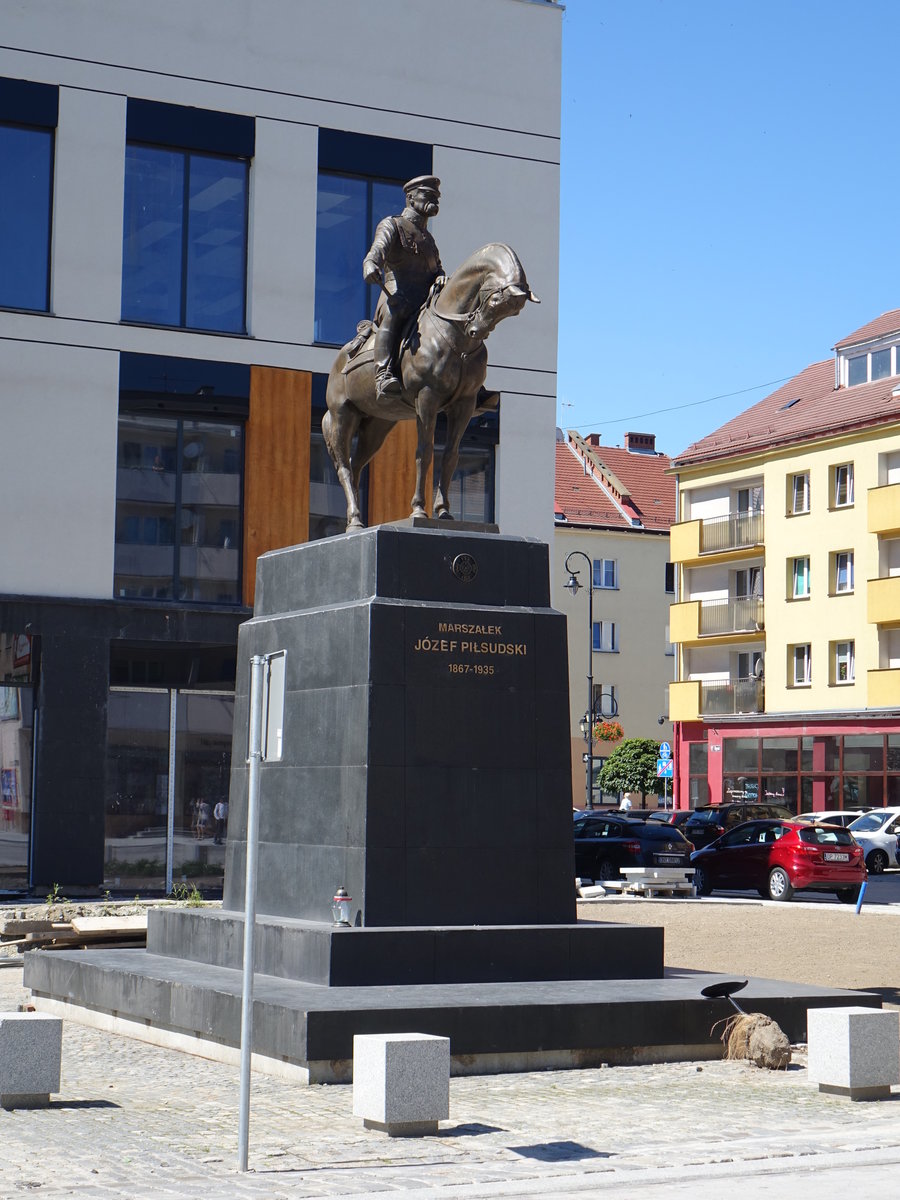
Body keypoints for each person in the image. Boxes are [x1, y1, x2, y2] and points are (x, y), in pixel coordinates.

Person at [362, 175, 445, 401]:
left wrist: (440, 277)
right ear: (410, 198)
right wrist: (370, 265)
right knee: (394, 315)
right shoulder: (393, 224)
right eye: (428, 196)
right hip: (396, 294)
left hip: (423, 302)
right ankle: (382, 374)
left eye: (437, 197)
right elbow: (377, 251)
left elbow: (437, 268)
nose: (434, 200)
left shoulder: (429, 239)